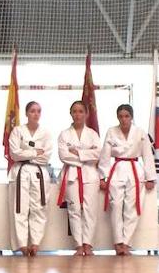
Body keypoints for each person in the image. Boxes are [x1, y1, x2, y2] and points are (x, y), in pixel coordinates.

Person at [101, 103, 156, 256]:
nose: (124, 119)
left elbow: (147, 155)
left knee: (132, 208)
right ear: (117, 117)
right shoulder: (111, 131)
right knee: (116, 205)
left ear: (131, 117)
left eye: (127, 116)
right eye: (121, 116)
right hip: (117, 170)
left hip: (135, 170)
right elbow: (105, 155)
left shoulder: (140, 132)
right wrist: (103, 176)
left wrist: (150, 177)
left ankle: (126, 243)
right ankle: (117, 242)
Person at [7, 101, 53, 256]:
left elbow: (46, 156)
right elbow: (14, 154)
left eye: (38, 111)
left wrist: (25, 152)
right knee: (20, 207)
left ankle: (35, 243)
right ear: (26, 113)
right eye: (32, 111)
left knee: (39, 208)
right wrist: (35, 153)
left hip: (39, 172)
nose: (36, 114)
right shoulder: (17, 131)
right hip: (21, 172)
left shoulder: (45, 133)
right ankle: (21, 244)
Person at [58, 101, 103, 256]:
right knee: (74, 209)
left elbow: (98, 154)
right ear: (71, 114)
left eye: (81, 111)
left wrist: (77, 152)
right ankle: (78, 245)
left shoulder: (92, 134)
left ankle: (88, 244)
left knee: (90, 210)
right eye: (75, 111)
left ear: (86, 114)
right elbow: (63, 156)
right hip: (72, 175)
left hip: (90, 176)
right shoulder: (64, 134)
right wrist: (86, 156)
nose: (77, 115)